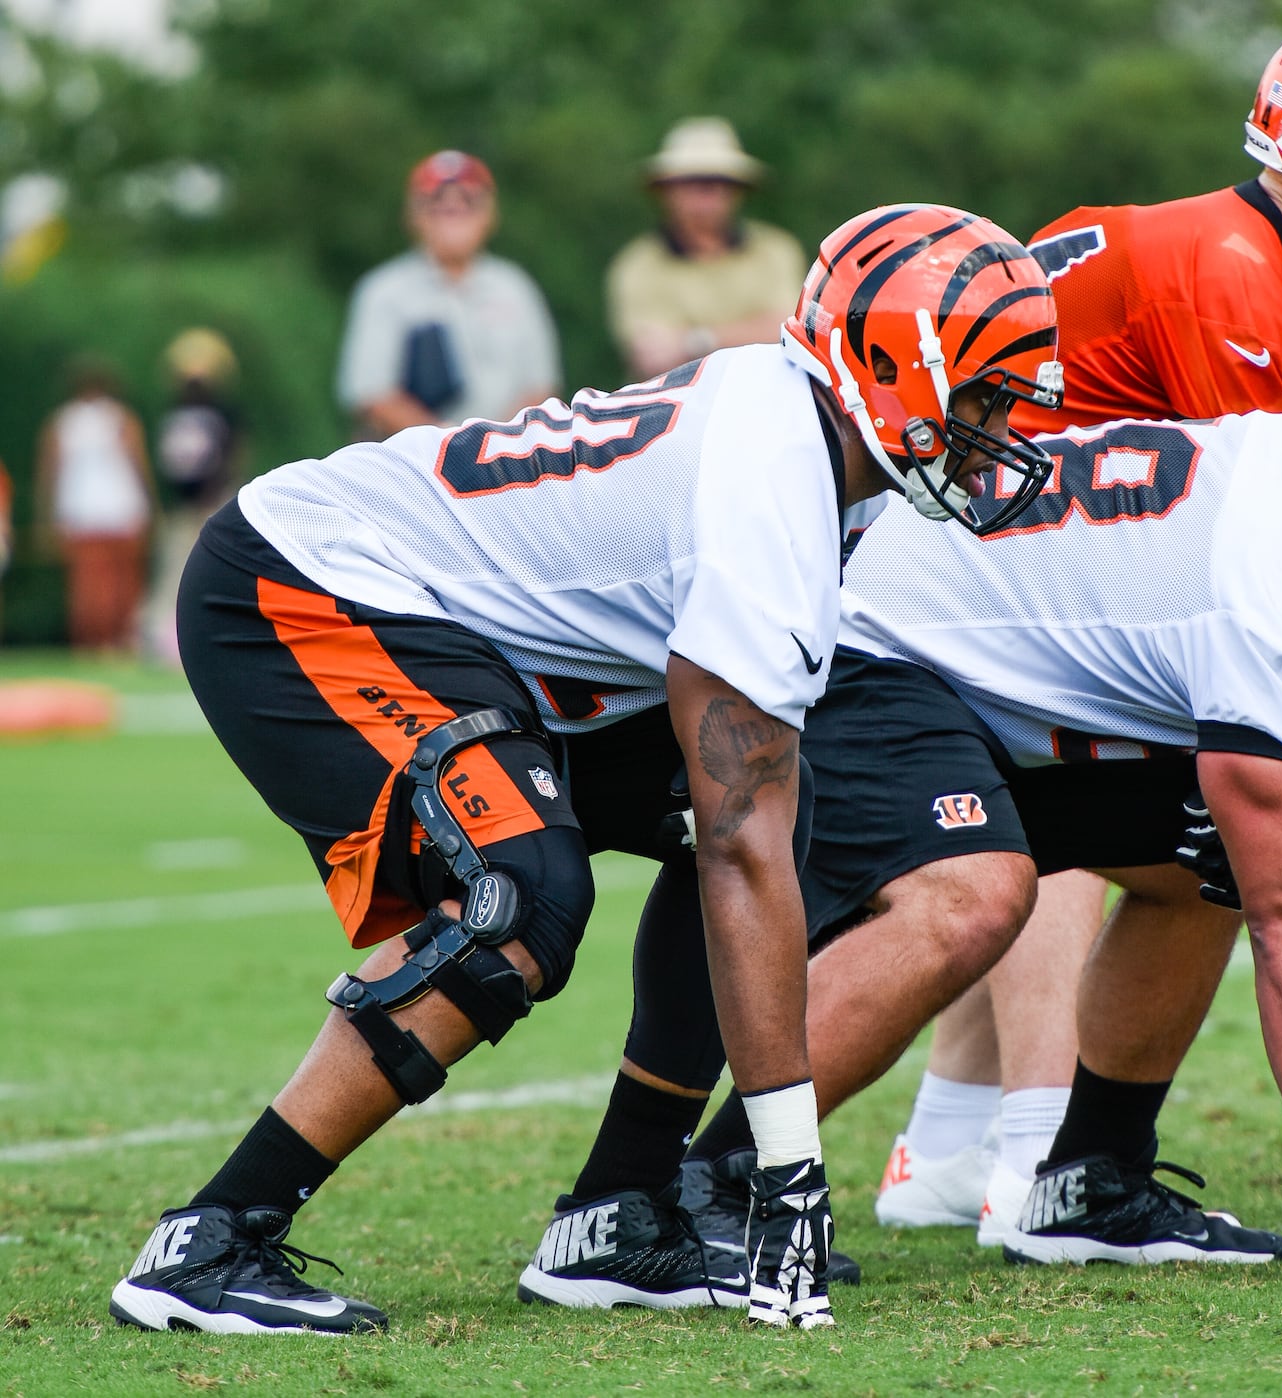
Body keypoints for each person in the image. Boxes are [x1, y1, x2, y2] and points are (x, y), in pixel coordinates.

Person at [106, 203, 1065, 1335]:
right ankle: (213, 1239)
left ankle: (620, 1215)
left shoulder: (796, 435)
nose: (997, 427)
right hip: (309, 586)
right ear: (900, 367)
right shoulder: (771, 480)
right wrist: (791, 1169)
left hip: (471, 637)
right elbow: (740, 854)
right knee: (522, 896)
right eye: (984, 394)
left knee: (760, 817)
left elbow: (746, 831)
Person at [679, 311, 1282, 1284]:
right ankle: (724, 1182)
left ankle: (1089, 1178)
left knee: (1204, 857)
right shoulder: (1273, 566)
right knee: (976, 892)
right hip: (868, 651)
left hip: (979, 678)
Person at [873, 13, 1282, 1239]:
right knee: (1086, 816)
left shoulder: (1223, 246)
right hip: (966, 588)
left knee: (1124, 821)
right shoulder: (1236, 280)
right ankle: (1033, 1158)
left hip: (970, 556)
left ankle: (951, 1144)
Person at [336, 150, 562, 440]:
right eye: (436, 202)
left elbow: (541, 387)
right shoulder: (384, 291)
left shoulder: (515, 287)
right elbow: (371, 395)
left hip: (508, 462)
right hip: (413, 464)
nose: (453, 210)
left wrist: (498, 444)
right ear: (413, 215)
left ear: (490, 215)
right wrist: (449, 445)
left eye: (468, 201)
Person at [606, 117, 807, 382]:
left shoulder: (776, 250)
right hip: (675, 414)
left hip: (770, 400)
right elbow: (652, 356)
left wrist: (694, 340)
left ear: (736, 190)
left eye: (717, 181)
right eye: (692, 181)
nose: (706, 191)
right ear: (668, 191)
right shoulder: (637, 265)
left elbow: (792, 331)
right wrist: (753, 331)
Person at [33, 356, 155, 653]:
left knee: (86, 584)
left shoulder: (62, 423)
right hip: (122, 509)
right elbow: (139, 465)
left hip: (79, 513)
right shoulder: (121, 419)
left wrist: (45, 517)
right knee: (123, 583)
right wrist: (152, 507)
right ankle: (120, 641)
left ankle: (90, 644)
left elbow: (49, 474)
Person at [144, 328, 246, 665]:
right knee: (173, 570)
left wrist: (215, 494)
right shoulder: (174, 414)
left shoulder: (223, 414)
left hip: (211, 502)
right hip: (184, 505)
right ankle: (163, 638)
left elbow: (230, 455)